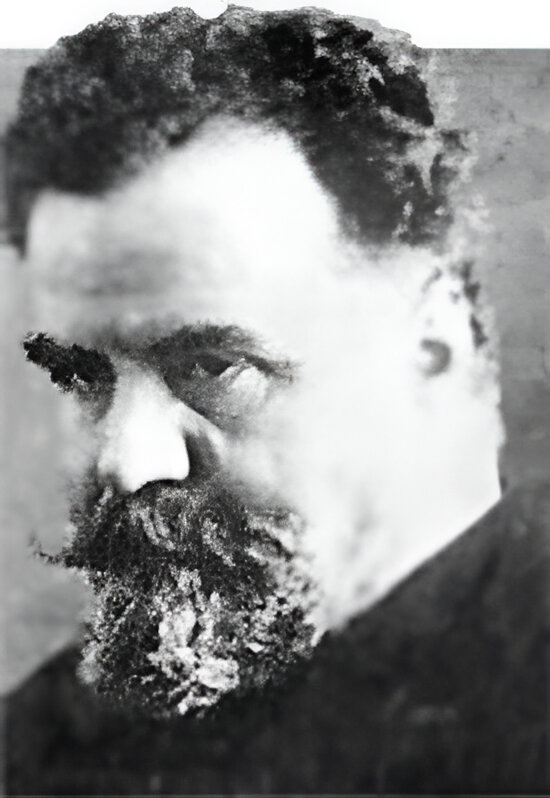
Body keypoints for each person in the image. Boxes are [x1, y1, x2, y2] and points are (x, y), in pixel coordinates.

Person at [4, 6, 548, 794]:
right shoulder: (38, 753)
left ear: (433, 337)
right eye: (81, 376)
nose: (126, 461)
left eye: (213, 364)